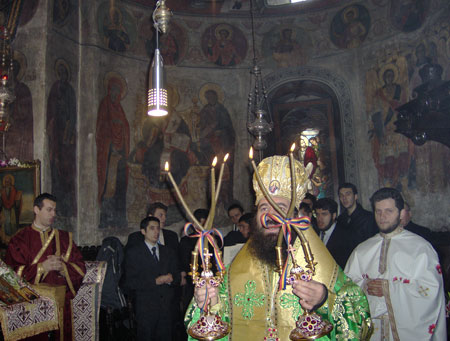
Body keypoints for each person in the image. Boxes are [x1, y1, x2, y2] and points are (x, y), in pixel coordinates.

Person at [185, 155, 371, 340]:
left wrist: (324, 299)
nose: (271, 215)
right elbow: (214, 321)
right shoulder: (237, 267)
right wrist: (210, 303)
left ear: (295, 215)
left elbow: (360, 318)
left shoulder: (318, 261)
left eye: (280, 207)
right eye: (264, 208)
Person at [345, 188, 446, 340]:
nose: (382, 217)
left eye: (388, 211)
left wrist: (388, 289)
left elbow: (431, 291)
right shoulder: (362, 250)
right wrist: (365, 286)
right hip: (373, 332)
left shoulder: (420, 248)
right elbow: (347, 286)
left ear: (401, 213)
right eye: (378, 211)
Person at [5, 193, 86, 341]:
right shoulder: (19, 240)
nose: (53, 214)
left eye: (55, 210)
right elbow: (11, 276)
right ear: (36, 210)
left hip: (61, 305)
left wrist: (63, 268)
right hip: (32, 307)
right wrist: (42, 267)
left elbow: (80, 268)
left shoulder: (64, 239)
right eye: (49, 210)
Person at [123, 216, 180, 341]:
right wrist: (155, 281)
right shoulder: (134, 253)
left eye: (158, 229)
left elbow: (177, 277)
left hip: (166, 307)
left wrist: (172, 279)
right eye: (152, 228)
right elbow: (130, 282)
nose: (156, 232)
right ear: (143, 231)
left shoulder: (168, 252)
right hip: (146, 307)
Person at [96, 76, 130, 229]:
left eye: (118, 90)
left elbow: (126, 129)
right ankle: (106, 217)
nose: (116, 93)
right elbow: (101, 129)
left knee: (120, 185)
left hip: (121, 154)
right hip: (109, 154)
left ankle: (119, 218)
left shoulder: (119, 109)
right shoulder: (105, 105)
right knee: (109, 186)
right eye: (113, 90)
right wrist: (111, 143)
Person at [315, 198, 353, 269]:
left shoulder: (345, 237)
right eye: (317, 214)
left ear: (334, 215)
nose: (320, 218)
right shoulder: (314, 233)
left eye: (324, 214)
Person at [337, 182, 378, 247]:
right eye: (341, 195)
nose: (344, 198)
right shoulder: (340, 219)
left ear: (355, 196)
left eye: (348, 194)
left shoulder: (368, 218)